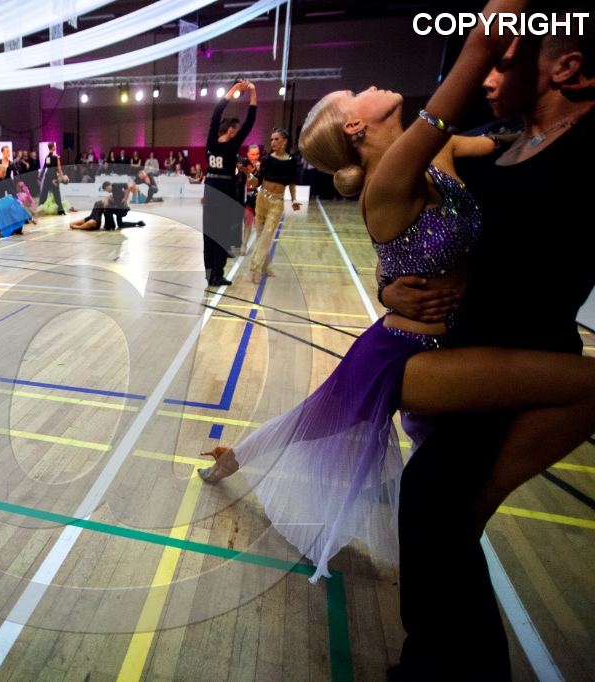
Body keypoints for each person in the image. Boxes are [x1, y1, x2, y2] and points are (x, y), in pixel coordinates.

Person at [200, 6, 595, 681]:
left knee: (322, 423)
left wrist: (390, 284)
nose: (376, 84)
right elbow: (454, 96)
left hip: (448, 343)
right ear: (356, 127)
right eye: (359, 93)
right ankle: (230, 462)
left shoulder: (438, 150)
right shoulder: (395, 170)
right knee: (315, 421)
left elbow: (500, 150)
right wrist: (487, 42)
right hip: (407, 352)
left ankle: (232, 457)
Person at [378, 11, 595, 679]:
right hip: (469, 357)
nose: (491, 79)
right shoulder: (504, 142)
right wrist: (392, 290)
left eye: (508, 62)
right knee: (438, 510)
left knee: (434, 504)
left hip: (526, 360)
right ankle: (437, 661)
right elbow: (426, 238)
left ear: (567, 68)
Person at [203, 81, 256, 287]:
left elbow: (216, 112)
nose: (239, 131)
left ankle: (210, 274)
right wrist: (252, 92)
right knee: (221, 236)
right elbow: (250, 121)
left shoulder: (211, 141)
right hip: (224, 195)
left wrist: (232, 91)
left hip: (210, 195)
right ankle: (217, 274)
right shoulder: (232, 145)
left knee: (209, 236)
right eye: (237, 129)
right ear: (232, 131)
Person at [249, 128, 301, 283]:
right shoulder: (267, 159)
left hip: (277, 202)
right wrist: (248, 175)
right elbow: (258, 181)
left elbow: (292, 182)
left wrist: (294, 200)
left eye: (276, 139)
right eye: (271, 139)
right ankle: (266, 266)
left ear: (285, 141)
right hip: (262, 199)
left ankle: (255, 268)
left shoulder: (291, 160)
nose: (273, 142)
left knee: (266, 236)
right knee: (260, 236)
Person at [39, 142, 66, 215]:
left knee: (44, 194)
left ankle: (40, 209)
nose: (56, 147)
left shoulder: (47, 157)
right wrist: (58, 177)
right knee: (57, 194)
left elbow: (44, 168)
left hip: (47, 177)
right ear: (53, 147)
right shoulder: (55, 157)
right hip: (53, 177)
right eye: (55, 146)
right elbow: (57, 168)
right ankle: (60, 211)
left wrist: (40, 178)